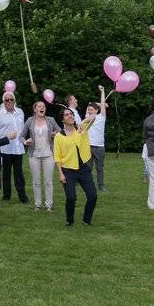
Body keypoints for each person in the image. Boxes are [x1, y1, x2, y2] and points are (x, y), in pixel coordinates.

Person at [53, 92, 98, 227]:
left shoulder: (81, 129)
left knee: (92, 196)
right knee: (71, 198)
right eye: (66, 115)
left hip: (84, 168)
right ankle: (70, 220)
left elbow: (94, 117)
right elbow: (57, 156)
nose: (70, 116)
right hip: (68, 170)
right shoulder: (59, 136)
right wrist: (61, 173)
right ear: (62, 119)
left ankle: (86, 220)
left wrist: (82, 122)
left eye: (71, 114)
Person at [21, 100, 62, 212]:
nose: (42, 108)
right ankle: (38, 204)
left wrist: (55, 134)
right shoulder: (30, 120)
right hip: (34, 155)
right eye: (39, 106)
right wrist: (25, 142)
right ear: (35, 109)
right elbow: (21, 136)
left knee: (48, 181)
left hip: (48, 154)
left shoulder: (50, 120)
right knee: (36, 181)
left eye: (43, 106)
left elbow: (60, 131)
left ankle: (49, 205)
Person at [0, 91, 27, 203]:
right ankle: (6, 196)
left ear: (14, 100)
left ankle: (23, 197)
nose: (9, 101)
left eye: (11, 99)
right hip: (5, 149)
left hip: (18, 148)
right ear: (3, 101)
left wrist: (25, 141)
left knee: (19, 174)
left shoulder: (20, 112)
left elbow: (23, 130)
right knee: (6, 174)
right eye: (6, 100)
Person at [86, 97, 107, 192]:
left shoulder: (101, 117)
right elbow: (89, 105)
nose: (90, 111)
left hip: (99, 148)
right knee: (88, 168)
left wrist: (102, 92)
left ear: (97, 110)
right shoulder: (87, 117)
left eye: (92, 110)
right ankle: (87, 185)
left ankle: (101, 186)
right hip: (88, 146)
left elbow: (103, 105)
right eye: (89, 109)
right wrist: (91, 104)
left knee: (100, 168)